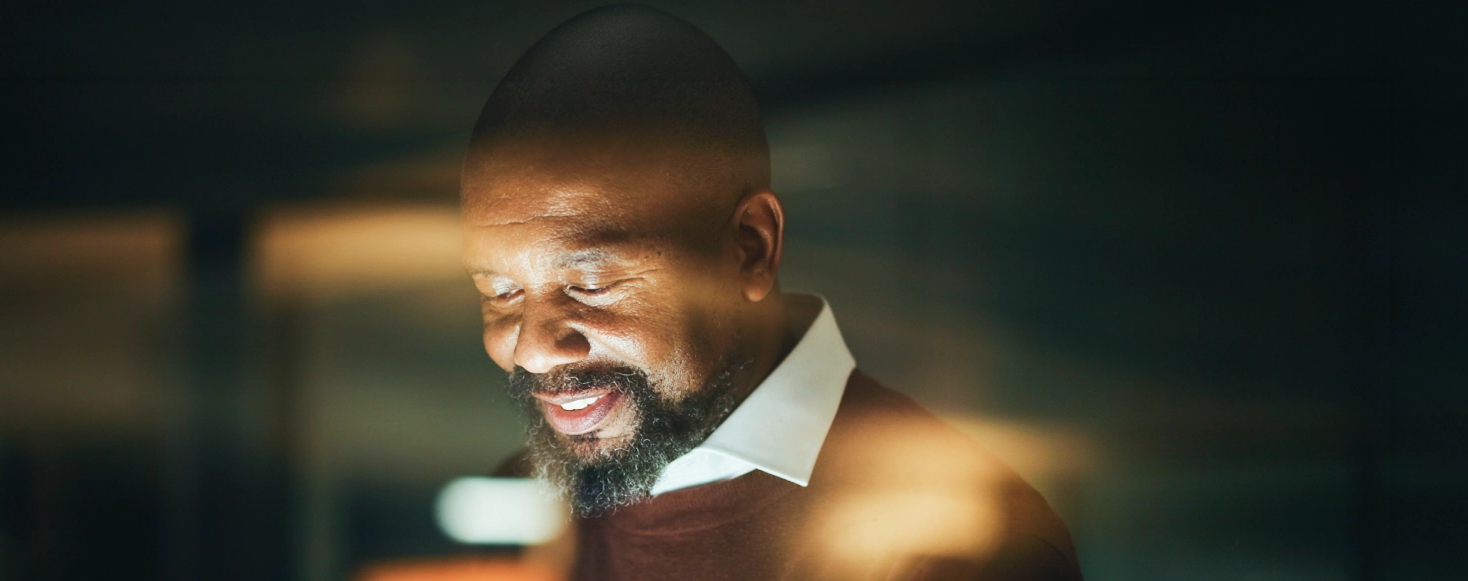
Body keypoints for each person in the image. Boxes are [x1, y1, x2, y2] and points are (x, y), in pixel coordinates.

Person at [460, 5, 1082, 580]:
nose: (535, 351)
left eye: (590, 284)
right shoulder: (524, 514)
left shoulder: (972, 546)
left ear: (750, 247)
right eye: (501, 292)